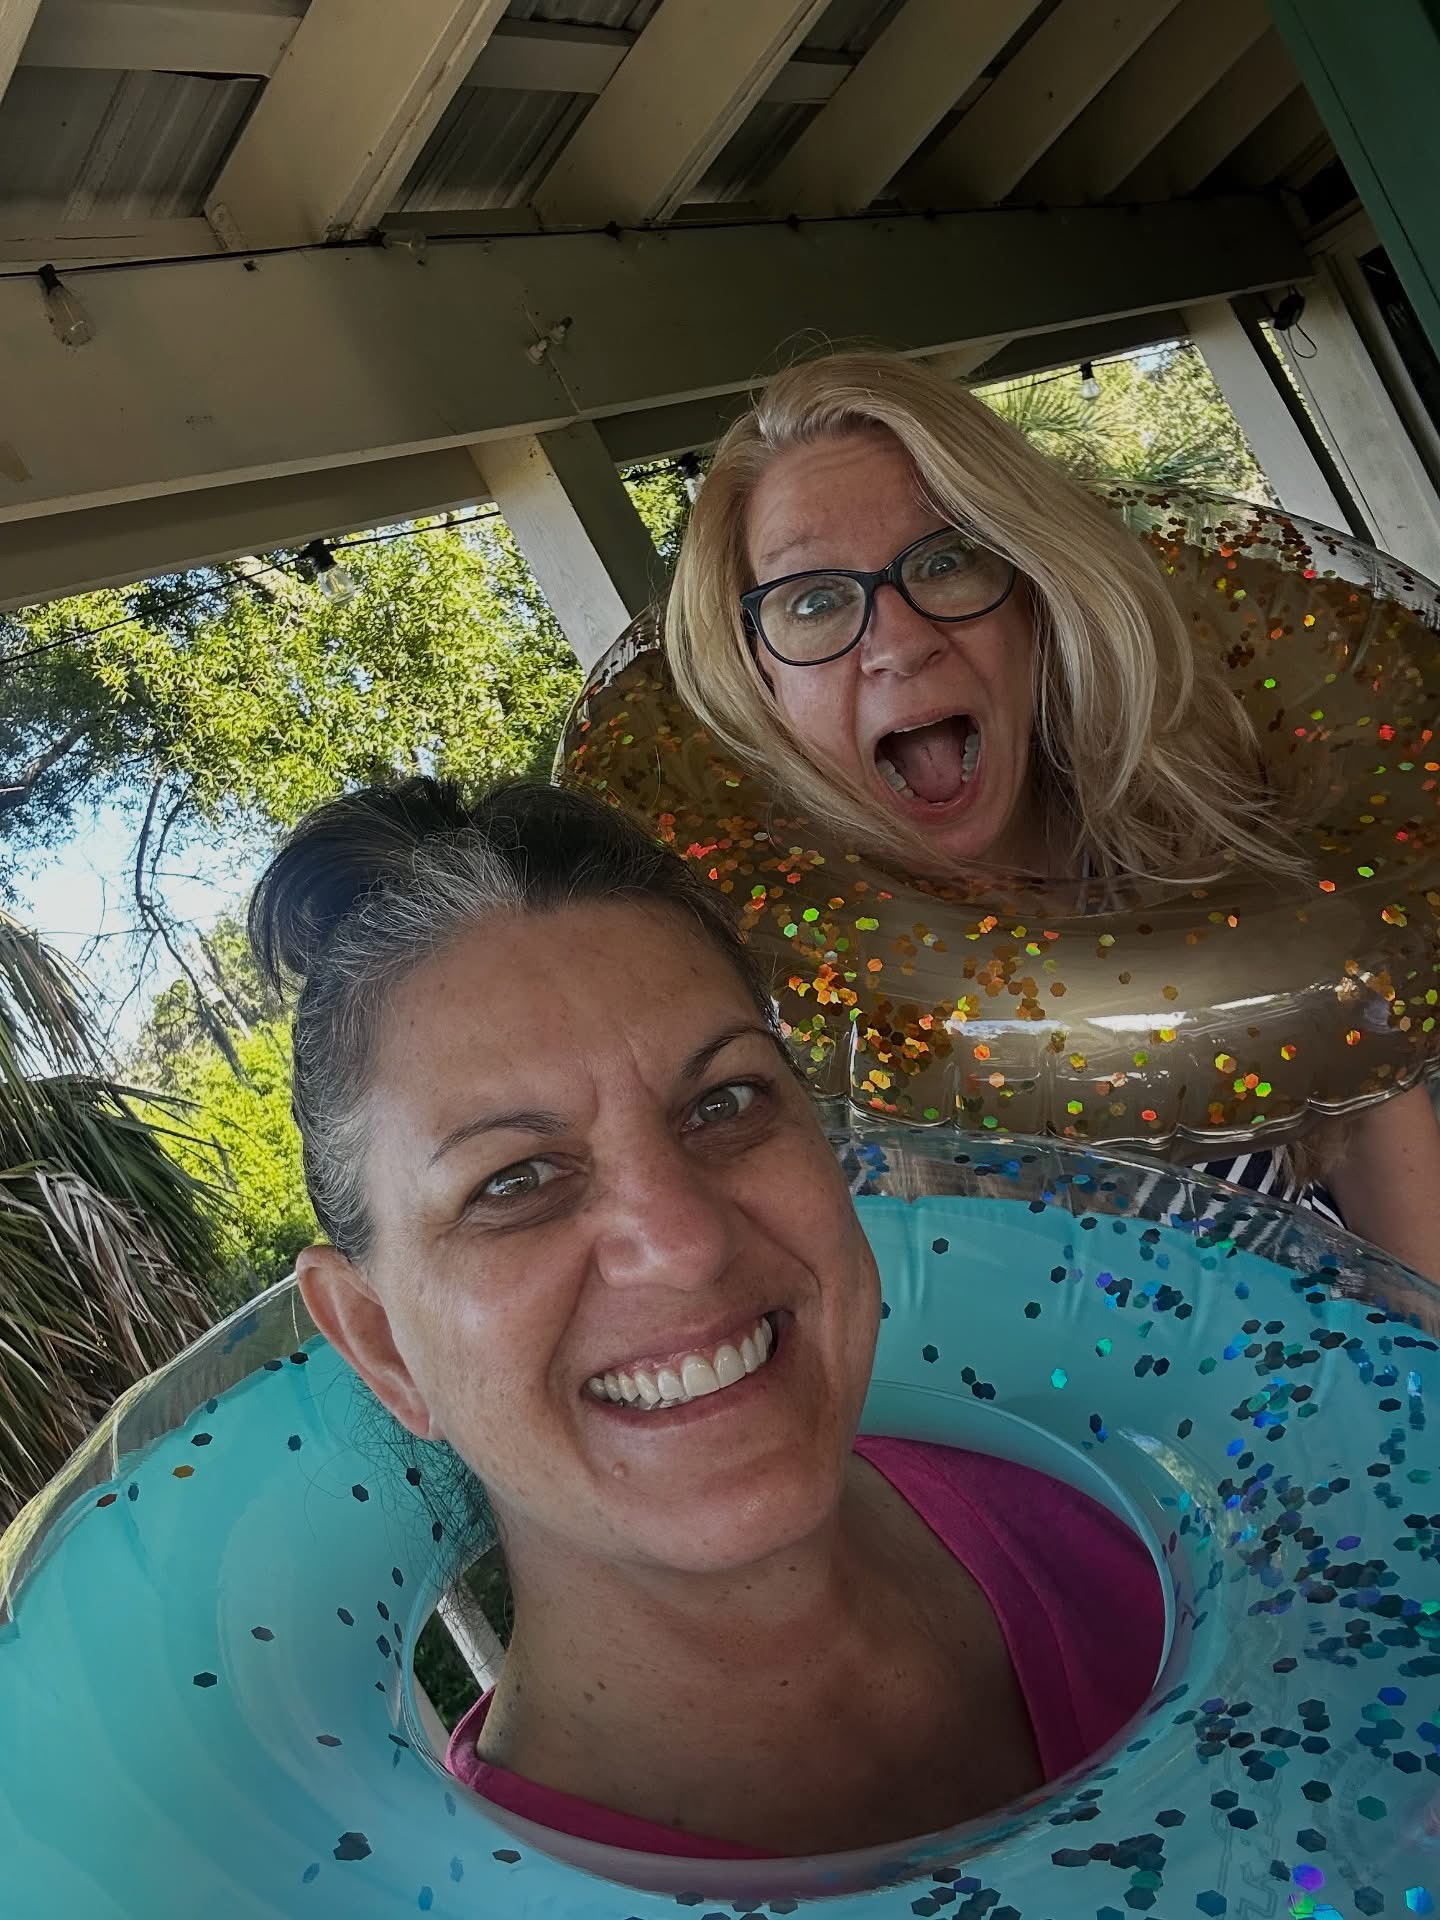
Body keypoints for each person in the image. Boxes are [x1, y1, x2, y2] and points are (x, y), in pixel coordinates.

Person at [248, 777, 1162, 1860]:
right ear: (381, 1344)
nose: (682, 1242)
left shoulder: (1135, 1520)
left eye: (723, 1103)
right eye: (515, 1179)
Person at [664, 349, 1440, 1281]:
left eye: (948, 559)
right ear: (761, 676)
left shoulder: (1221, 865)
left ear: (1032, 595)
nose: (899, 643)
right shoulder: (770, 1017)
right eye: (814, 600)